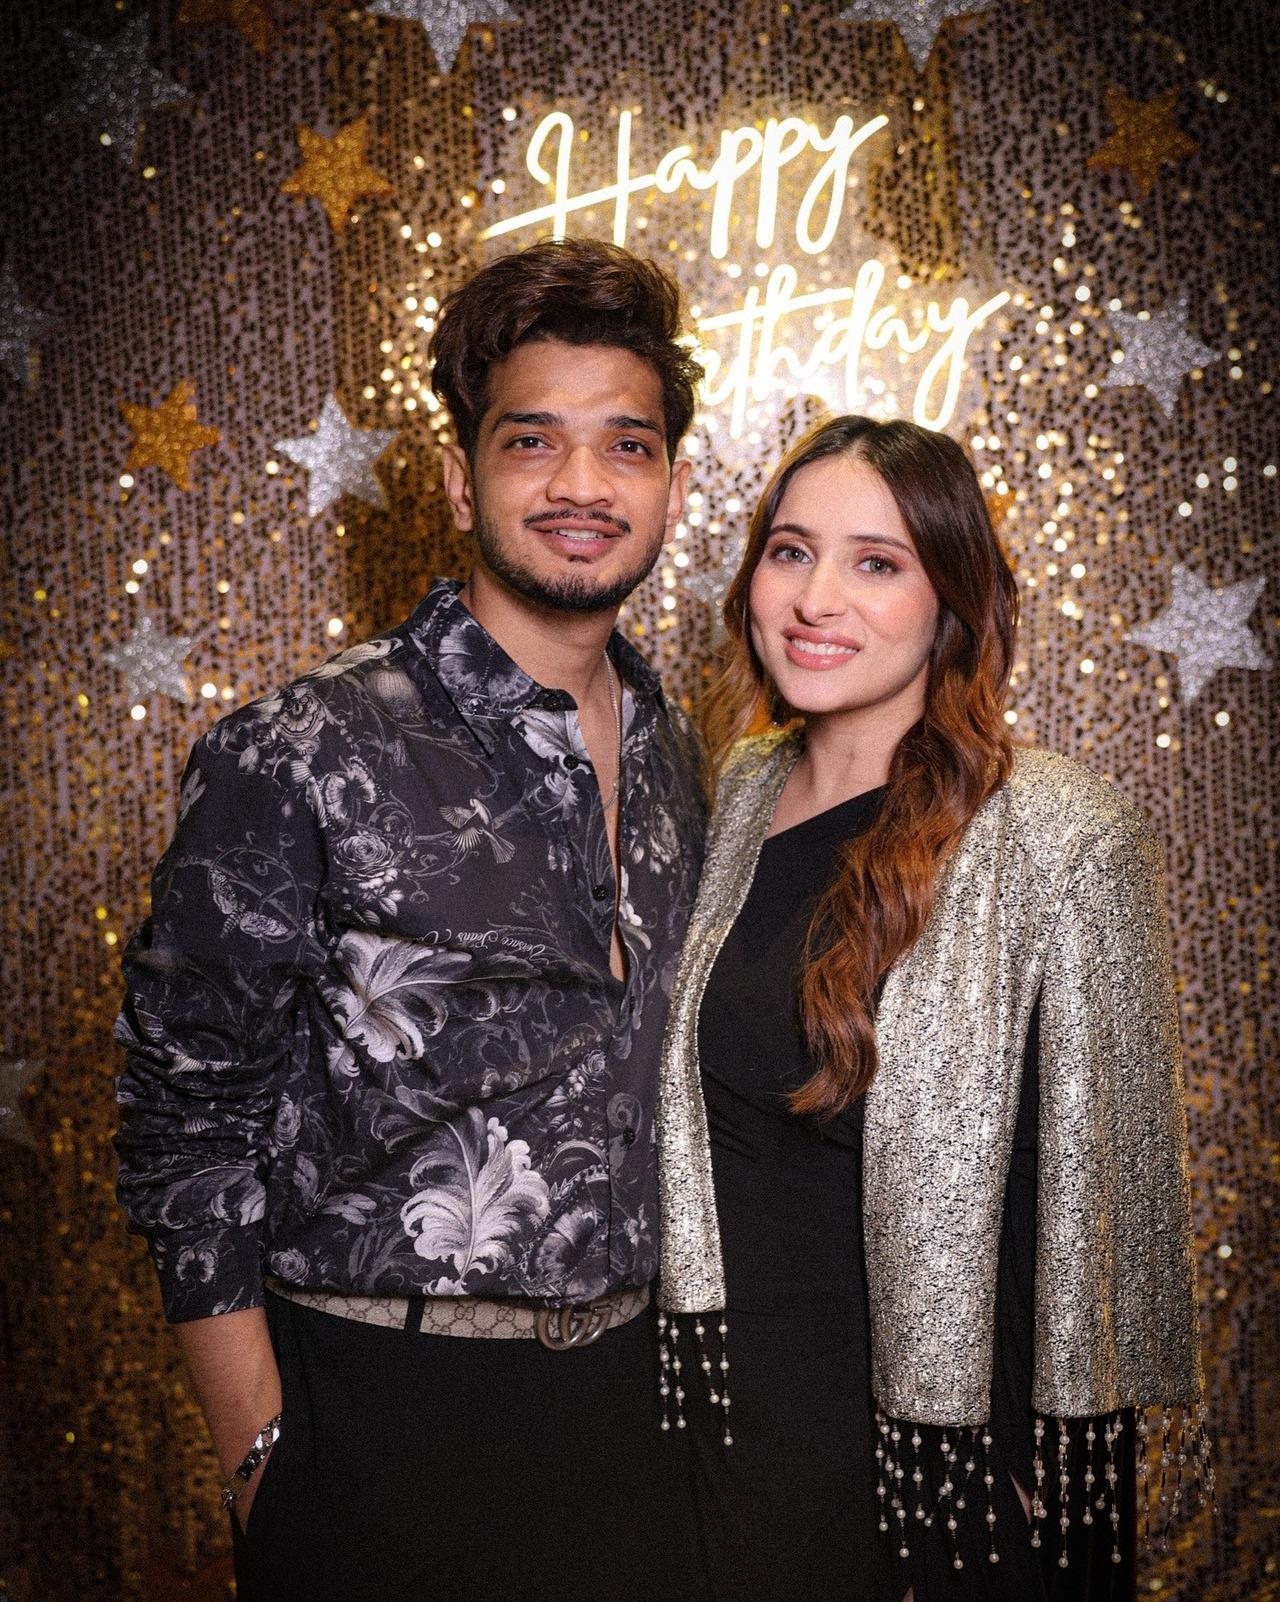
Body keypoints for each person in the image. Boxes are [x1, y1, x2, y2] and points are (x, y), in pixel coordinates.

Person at [114, 238, 708, 1602]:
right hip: (381, 1413)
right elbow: (184, 1125)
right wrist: (263, 1449)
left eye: (625, 445)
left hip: (641, 1424)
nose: (580, 486)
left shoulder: (691, 754)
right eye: (531, 443)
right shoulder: (303, 747)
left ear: (672, 481)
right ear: (459, 477)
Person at [654, 415, 1208, 1601]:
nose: (815, 599)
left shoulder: (1060, 837)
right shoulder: (737, 790)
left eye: (876, 562)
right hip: (710, 1424)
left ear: (951, 598)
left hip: (926, 1460)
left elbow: (1084, 1205)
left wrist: (1019, 1485)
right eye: (789, 551)